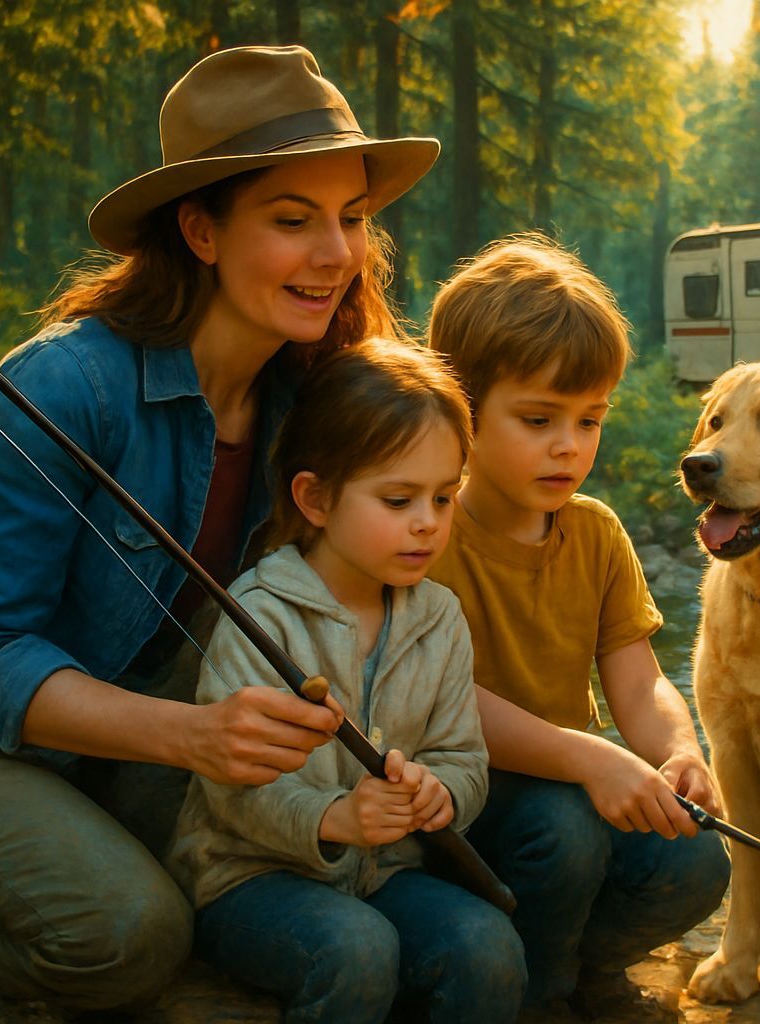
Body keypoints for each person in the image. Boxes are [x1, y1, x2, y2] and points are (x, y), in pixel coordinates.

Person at [0, 45, 439, 1010]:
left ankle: (4, 870)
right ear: (201, 230)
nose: (336, 255)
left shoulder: (306, 402)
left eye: (351, 220)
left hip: (96, 758)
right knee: (135, 934)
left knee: (258, 865)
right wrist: (194, 738)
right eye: (292, 220)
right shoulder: (66, 385)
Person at [167, 339, 526, 1023]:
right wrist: (335, 818)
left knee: (488, 947)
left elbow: (464, 758)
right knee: (355, 950)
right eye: (398, 499)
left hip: (389, 874)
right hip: (250, 878)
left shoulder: (439, 618)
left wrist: (438, 794)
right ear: (316, 499)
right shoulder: (260, 612)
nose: (427, 521)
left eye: (445, 497)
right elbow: (233, 788)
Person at [425, 235, 733, 1014]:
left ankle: (582, 967)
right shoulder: (424, 534)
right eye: (538, 419)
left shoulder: (594, 533)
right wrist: (589, 760)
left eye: (589, 420)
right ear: (460, 409)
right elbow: (445, 700)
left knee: (700, 860)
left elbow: (637, 678)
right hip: (460, 798)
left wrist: (679, 751)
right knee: (564, 830)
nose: (569, 446)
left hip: (573, 785)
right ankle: (542, 997)